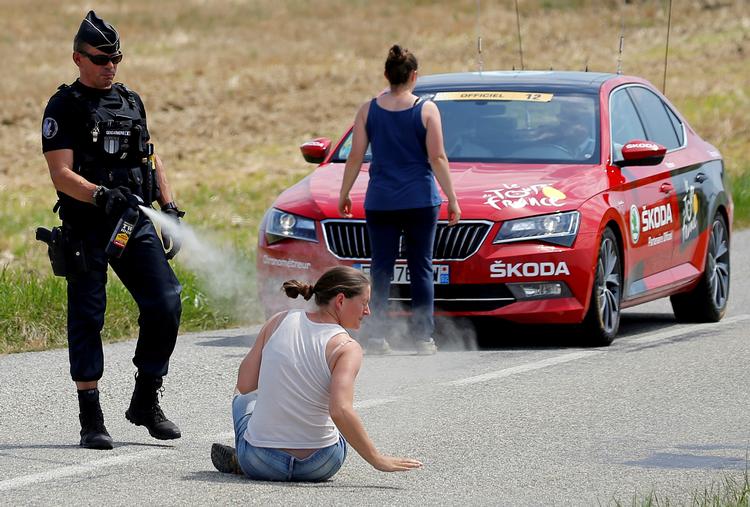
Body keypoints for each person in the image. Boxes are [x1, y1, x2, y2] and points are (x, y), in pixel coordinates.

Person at [41, 11, 185, 450]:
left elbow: (151, 157)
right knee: (88, 318)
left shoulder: (130, 100)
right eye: (102, 58)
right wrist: (100, 194)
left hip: (134, 223)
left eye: (116, 58)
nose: (110, 66)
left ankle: (145, 399)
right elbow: (61, 174)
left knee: (166, 303)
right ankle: (92, 419)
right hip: (88, 227)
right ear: (78, 58)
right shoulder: (63, 106)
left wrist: (169, 206)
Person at [210, 266, 423, 481]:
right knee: (333, 426)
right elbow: (340, 410)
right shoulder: (347, 347)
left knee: (242, 401)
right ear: (340, 301)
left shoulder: (279, 321)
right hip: (320, 463)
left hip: (261, 461)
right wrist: (377, 459)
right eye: (364, 303)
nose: (368, 312)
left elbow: (246, 385)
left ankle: (242, 459)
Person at [338, 44, 461, 355]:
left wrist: (344, 193)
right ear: (414, 76)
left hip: (380, 201)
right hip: (420, 200)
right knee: (421, 267)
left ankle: (377, 336)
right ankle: (422, 338)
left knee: (380, 269)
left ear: (386, 75)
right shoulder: (427, 110)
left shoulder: (368, 110)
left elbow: (354, 157)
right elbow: (438, 157)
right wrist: (452, 199)